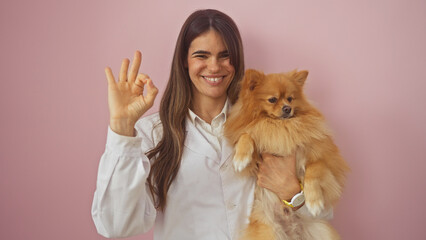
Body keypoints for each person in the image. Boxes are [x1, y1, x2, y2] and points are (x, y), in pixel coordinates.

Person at [92, 9, 330, 240]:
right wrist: (122, 128)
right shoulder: (152, 133)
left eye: (225, 56)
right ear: (184, 60)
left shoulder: (269, 125)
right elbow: (115, 225)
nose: (214, 67)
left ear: (236, 62)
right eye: (201, 56)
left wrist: (292, 192)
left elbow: (322, 214)